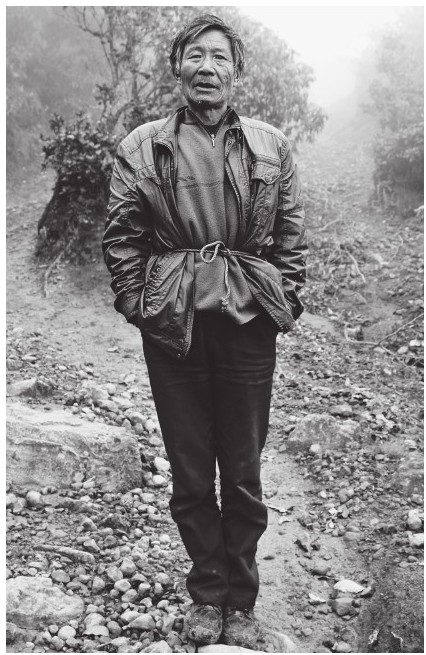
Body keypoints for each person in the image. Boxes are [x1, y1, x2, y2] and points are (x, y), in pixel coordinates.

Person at [102, 13, 307, 649]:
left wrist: (283, 299)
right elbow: (122, 239)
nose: (207, 67)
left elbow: (291, 235)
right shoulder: (143, 147)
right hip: (174, 322)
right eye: (195, 55)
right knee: (191, 470)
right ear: (178, 68)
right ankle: (207, 590)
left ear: (236, 71)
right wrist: (141, 306)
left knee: (242, 469)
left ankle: (240, 601)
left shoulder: (271, 145)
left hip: (248, 322)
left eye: (219, 56)